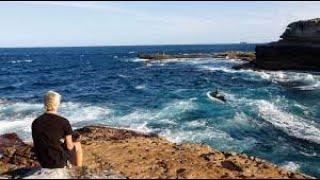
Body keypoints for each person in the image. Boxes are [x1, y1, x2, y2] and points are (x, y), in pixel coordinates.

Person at [32, 91, 83, 169]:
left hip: (42, 161)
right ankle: (78, 169)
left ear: (45, 103)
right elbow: (69, 146)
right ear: (57, 103)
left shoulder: (36, 122)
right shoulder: (63, 122)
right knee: (77, 145)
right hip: (58, 162)